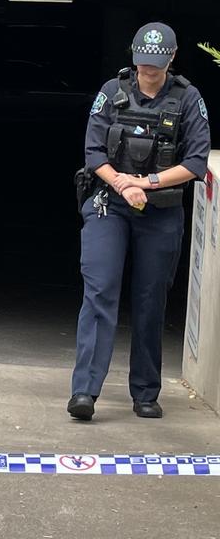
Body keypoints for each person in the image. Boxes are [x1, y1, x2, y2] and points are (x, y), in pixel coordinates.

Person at [68, 22, 210, 421]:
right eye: (143, 63)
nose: (149, 70)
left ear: (172, 58)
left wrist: (146, 183)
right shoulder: (112, 93)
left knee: (150, 300)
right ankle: (84, 391)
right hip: (108, 206)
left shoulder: (188, 99)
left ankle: (146, 391)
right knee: (100, 292)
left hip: (160, 211)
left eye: (156, 64)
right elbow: (93, 152)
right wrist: (121, 184)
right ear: (134, 58)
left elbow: (196, 162)